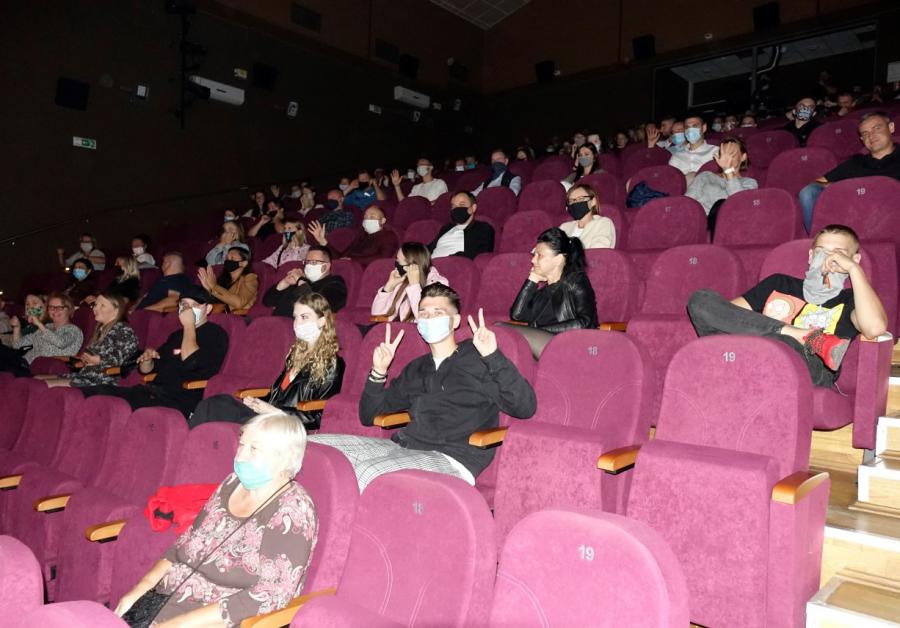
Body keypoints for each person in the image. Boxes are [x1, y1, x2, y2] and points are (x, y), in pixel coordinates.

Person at [309, 284, 536, 491]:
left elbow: (525, 407)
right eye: (424, 314)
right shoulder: (416, 368)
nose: (429, 318)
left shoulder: (478, 359)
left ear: (455, 321)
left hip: (452, 459)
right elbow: (368, 415)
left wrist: (493, 356)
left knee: (367, 473)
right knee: (313, 449)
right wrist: (378, 372)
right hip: (404, 447)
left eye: (438, 313)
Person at [114, 412, 318, 627]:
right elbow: (184, 544)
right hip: (164, 601)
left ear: (285, 457)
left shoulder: (293, 509)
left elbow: (272, 594)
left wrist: (177, 624)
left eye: (254, 449)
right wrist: (139, 590)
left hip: (219, 620)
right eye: (241, 444)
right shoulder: (231, 483)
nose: (240, 456)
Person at [687, 224, 887, 387]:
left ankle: (790, 337)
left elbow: (875, 328)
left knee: (781, 343)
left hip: (810, 365)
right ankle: (799, 334)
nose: (827, 259)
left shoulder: (852, 299)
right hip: (753, 353)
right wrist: (788, 331)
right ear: (811, 256)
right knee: (700, 300)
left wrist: (854, 270)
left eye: (838, 254)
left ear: (854, 259)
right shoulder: (778, 283)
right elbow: (724, 317)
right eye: (821, 252)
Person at [191, 292, 345, 430]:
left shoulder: (332, 364)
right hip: (271, 414)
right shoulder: (295, 355)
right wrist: (257, 402)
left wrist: (275, 411)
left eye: (304, 317)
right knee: (216, 403)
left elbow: (318, 416)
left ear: (322, 321)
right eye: (295, 317)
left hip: (288, 425)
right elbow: (277, 394)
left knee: (227, 419)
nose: (297, 323)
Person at [81, 285, 229, 418]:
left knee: (117, 406)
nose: (188, 310)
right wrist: (147, 359)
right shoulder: (176, 335)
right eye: (184, 305)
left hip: (180, 399)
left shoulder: (215, 334)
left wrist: (189, 326)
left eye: (194, 305)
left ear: (208, 309)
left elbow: (191, 362)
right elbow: (148, 370)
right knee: (95, 393)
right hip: (153, 392)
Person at [797, 111, 900, 233]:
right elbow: (816, 183)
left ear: (891, 127)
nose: (871, 136)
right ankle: (821, 239)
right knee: (808, 192)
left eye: (877, 128)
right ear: (862, 139)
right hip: (855, 218)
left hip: (892, 216)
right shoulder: (856, 162)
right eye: (865, 133)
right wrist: (839, 186)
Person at [507, 228, 599, 357]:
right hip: (540, 346)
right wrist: (532, 281)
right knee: (500, 333)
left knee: (502, 331)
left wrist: (540, 331)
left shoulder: (576, 281)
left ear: (559, 259)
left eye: (540, 255)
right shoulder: (542, 292)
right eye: (534, 255)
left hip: (568, 345)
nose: (533, 260)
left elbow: (585, 322)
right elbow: (517, 315)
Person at [40, 291, 139, 388]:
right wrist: (86, 359)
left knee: (43, 385)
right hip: (85, 375)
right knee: (37, 379)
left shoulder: (123, 329)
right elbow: (91, 356)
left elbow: (123, 358)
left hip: (101, 380)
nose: (95, 308)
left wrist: (98, 359)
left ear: (116, 310)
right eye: (95, 305)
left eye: (102, 305)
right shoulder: (100, 329)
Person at [685, 136, 758, 234]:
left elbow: (740, 203)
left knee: (721, 205)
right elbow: (688, 201)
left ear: (743, 157)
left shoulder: (749, 182)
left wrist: (728, 170)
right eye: (724, 154)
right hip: (698, 221)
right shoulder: (706, 175)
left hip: (726, 224)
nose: (727, 157)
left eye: (731, 153)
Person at [1, 292, 82, 375]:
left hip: (36, 369)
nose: (54, 310)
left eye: (59, 307)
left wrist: (39, 324)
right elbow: (17, 345)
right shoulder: (47, 326)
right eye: (51, 307)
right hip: (23, 362)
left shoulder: (73, 330)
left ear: (69, 310)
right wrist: (16, 327)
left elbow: (60, 343)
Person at [263, 245, 348, 317]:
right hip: (275, 324)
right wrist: (284, 282)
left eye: (314, 262)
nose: (308, 266)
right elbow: (267, 301)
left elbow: (317, 308)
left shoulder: (335, 284)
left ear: (326, 266)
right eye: (307, 262)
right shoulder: (300, 281)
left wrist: (300, 280)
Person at [372, 243, 448, 322]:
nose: (396, 264)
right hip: (390, 326)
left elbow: (427, 320)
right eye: (396, 259)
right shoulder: (403, 280)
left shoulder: (438, 286)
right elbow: (377, 317)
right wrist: (388, 287)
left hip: (408, 329)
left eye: (399, 261)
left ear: (412, 266)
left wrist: (414, 286)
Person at [309, 206, 398, 266]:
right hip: (346, 268)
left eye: (372, 217)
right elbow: (341, 257)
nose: (367, 220)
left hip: (363, 272)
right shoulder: (361, 236)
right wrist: (323, 241)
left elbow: (383, 258)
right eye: (365, 217)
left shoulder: (388, 236)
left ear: (382, 221)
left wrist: (354, 261)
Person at [428, 191, 495, 260]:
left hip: (453, 264)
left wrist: (447, 259)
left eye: (462, 204)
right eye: (453, 206)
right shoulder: (446, 228)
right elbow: (428, 249)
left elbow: (480, 255)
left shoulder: (483, 228)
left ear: (473, 208)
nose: (456, 209)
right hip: (428, 264)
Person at [198, 247, 259, 312]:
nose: (228, 261)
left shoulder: (250, 278)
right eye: (227, 258)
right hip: (219, 312)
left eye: (232, 258)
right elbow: (219, 299)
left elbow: (239, 303)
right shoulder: (225, 278)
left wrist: (214, 286)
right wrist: (210, 290)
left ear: (244, 263)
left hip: (236, 315)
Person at [560, 184, 616, 249]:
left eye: (581, 199)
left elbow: (599, 250)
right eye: (571, 201)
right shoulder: (564, 227)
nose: (575, 203)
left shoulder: (603, 223)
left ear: (593, 202)